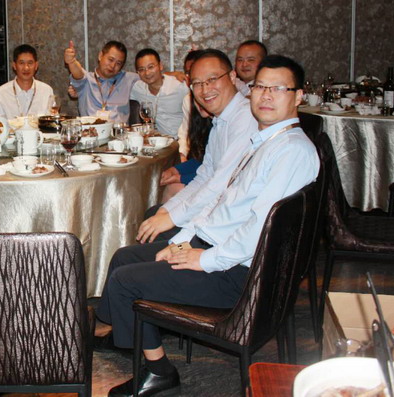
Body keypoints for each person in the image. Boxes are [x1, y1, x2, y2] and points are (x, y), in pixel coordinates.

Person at [99, 55, 319, 396]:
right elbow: (223, 206)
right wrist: (185, 241)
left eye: (278, 88)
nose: (265, 96)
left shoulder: (290, 151)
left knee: (125, 282)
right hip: (220, 249)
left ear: (298, 96)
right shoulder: (267, 141)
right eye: (260, 87)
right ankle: (136, 331)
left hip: (239, 275)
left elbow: (260, 230)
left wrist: (202, 258)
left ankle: (158, 372)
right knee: (126, 258)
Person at [137, 49, 258, 245]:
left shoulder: (244, 119)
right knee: (154, 213)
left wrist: (173, 219)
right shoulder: (221, 120)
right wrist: (167, 211)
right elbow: (205, 173)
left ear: (233, 76)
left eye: (212, 79)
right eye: (197, 84)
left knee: (126, 262)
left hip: (226, 228)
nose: (205, 89)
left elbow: (220, 185)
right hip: (214, 211)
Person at [64, 40, 138, 123]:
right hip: (91, 132)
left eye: (118, 63)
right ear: (100, 56)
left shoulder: (128, 79)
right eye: (110, 60)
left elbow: (148, 79)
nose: (113, 66)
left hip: (119, 133)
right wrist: (72, 62)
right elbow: (78, 74)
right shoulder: (87, 80)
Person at [129, 49, 189, 136]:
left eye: (151, 67)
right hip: (158, 142)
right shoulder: (137, 88)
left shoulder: (180, 86)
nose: (147, 73)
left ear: (160, 66)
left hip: (183, 141)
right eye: (141, 69)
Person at [0, 44, 54, 119]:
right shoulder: (0, 93)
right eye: (21, 63)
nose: (26, 68)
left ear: (36, 65)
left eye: (30, 63)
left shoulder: (47, 91)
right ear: (14, 65)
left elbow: (51, 122)